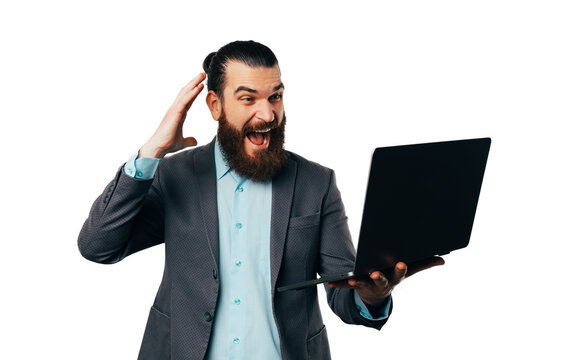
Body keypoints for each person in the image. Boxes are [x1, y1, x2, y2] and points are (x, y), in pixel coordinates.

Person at [78, 40, 444, 360]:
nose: (268, 114)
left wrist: (373, 295)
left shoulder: (317, 183)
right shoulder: (174, 176)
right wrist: (151, 151)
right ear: (215, 105)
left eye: (275, 97)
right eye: (248, 99)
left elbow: (344, 294)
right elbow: (98, 247)